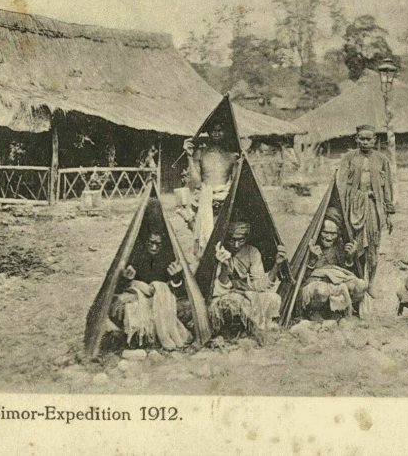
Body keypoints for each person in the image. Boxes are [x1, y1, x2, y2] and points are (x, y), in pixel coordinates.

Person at [108, 230, 193, 350]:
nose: (154, 247)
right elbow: (119, 289)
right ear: (145, 242)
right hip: (139, 300)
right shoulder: (134, 256)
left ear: (163, 245)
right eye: (150, 242)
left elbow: (179, 292)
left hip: (161, 302)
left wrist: (175, 278)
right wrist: (127, 279)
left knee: (186, 307)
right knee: (121, 308)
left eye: (158, 244)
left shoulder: (169, 258)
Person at [336, 124, 394, 298]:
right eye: (362, 138)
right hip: (354, 207)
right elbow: (341, 185)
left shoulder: (382, 159)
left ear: (374, 140)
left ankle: (371, 283)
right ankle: (358, 281)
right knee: (356, 244)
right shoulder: (349, 158)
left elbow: (388, 188)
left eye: (369, 139)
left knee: (374, 247)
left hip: (374, 207)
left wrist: (389, 213)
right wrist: (342, 208)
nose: (365, 142)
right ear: (356, 139)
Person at [207, 221, 286, 345]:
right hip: (223, 295)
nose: (237, 245)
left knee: (272, 298)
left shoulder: (251, 252)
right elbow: (218, 289)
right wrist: (225, 268)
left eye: (241, 240)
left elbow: (259, 285)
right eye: (232, 240)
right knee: (232, 302)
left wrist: (277, 265)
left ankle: (252, 330)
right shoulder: (218, 252)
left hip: (245, 291)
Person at [178, 122, 239, 258]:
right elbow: (196, 183)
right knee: (204, 244)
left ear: (226, 132)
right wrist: (189, 156)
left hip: (225, 203)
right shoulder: (201, 154)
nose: (216, 134)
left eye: (220, 130)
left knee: (225, 242)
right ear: (209, 132)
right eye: (213, 130)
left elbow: (235, 184)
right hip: (205, 202)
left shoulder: (232, 156)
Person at [300, 207, 369, 320]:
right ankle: (313, 312)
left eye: (333, 233)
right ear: (319, 231)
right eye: (325, 232)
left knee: (360, 285)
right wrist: (312, 260)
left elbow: (343, 272)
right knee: (321, 291)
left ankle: (335, 311)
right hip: (317, 286)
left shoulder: (339, 246)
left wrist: (349, 259)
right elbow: (301, 279)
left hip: (335, 284)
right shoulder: (312, 245)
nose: (329, 237)